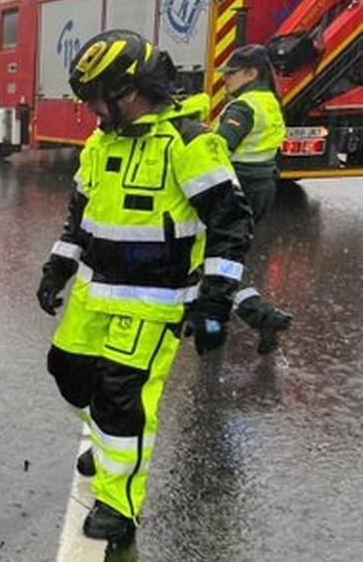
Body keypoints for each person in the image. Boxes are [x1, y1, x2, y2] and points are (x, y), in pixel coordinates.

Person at [36, 30, 253, 549]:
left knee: (120, 403)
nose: (90, 109)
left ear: (128, 92)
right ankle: (113, 450)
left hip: (154, 305)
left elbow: (231, 223)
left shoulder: (189, 142)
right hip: (94, 294)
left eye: (95, 98)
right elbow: (80, 218)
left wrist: (216, 301)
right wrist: (57, 269)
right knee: (68, 371)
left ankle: (118, 503)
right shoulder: (101, 142)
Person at [214, 44, 293, 353]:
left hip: (235, 189)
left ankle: (258, 317)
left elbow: (218, 150)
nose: (226, 80)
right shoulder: (270, 101)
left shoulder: (243, 106)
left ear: (251, 73)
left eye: (231, 74)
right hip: (261, 188)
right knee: (229, 259)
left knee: (214, 261)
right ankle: (227, 318)